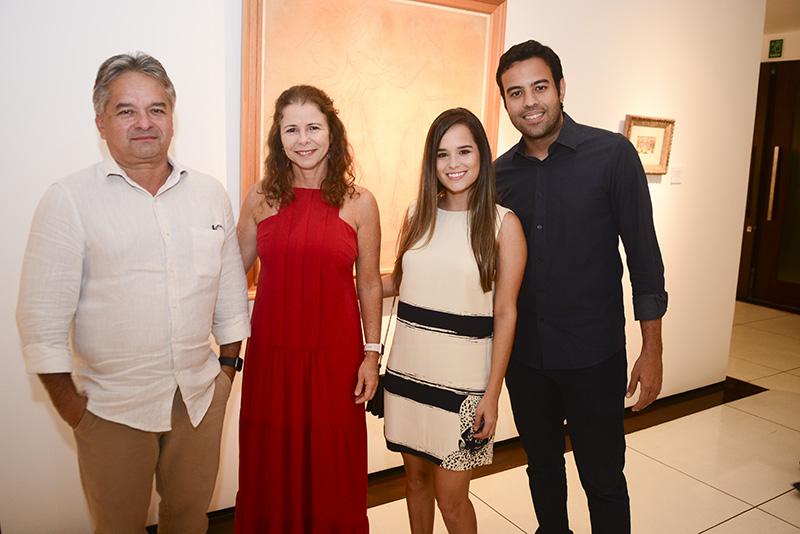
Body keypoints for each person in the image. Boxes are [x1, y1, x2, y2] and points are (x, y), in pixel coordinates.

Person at [16, 52, 251, 534]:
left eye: (156, 109)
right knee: (118, 526)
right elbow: (40, 321)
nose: (145, 123)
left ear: (172, 117)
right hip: (111, 410)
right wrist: (76, 412)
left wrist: (226, 374)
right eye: (127, 111)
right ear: (101, 122)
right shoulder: (68, 200)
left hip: (198, 401)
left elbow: (230, 298)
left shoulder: (209, 195)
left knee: (189, 522)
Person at [493, 40, 668, 534]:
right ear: (505, 101)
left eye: (540, 87)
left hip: (595, 357)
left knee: (603, 478)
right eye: (515, 93)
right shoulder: (498, 175)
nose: (529, 102)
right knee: (542, 470)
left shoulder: (611, 155)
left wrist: (652, 349)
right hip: (526, 360)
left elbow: (644, 257)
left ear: (561, 88)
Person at [235, 85, 382, 532]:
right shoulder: (260, 198)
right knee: (271, 463)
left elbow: (369, 283)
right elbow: (229, 275)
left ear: (331, 132)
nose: (303, 140)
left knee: (331, 466)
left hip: (335, 362)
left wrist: (372, 354)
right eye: (292, 129)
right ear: (278, 138)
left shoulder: (360, 203)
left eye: (313, 127)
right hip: (271, 361)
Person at [382, 108, 527, 533]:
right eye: (442, 154)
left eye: (464, 151)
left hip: (463, 388)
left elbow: (506, 312)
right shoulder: (417, 214)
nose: (453, 164)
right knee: (414, 483)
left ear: (481, 155)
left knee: (452, 499)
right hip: (408, 376)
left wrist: (492, 395)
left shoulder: (503, 224)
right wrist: (339, 282)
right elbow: (400, 281)